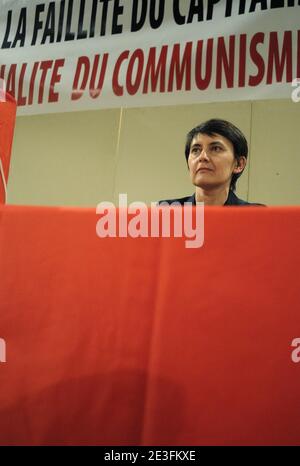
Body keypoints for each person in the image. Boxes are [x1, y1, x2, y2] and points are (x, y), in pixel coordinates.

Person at [159, 118, 264, 206]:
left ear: (238, 164)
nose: (203, 157)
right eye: (196, 150)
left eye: (216, 149)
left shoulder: (256, 215)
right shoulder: (167, 212)